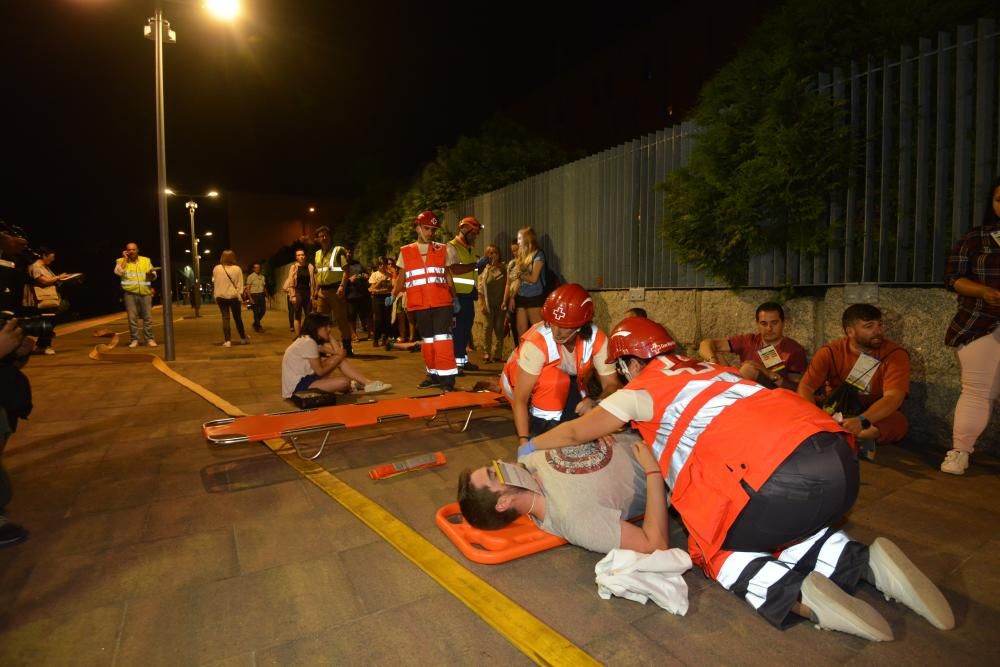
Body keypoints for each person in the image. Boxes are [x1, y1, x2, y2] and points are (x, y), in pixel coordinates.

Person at [504, 316, 953, 641]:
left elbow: (578, 430)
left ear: (628, 364)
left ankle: (798, 594)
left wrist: (529, 446)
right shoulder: (713, 369)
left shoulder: (641, 389)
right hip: (834, 457)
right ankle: (862, 561)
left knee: (714, 543)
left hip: (772, 476)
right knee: (780, 521)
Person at [459, 431, 667, 553]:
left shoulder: (528, 461)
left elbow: (576, 433)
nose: (501, 463)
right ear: (504, 502)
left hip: (650, 429)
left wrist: (597, 430)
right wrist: (654, 471)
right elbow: (653, 544)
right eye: (494, 474)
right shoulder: (572, 518)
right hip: (678, 462)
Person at [503, 284, 622, 440]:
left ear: (581, 326)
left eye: (565, 327)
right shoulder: (537, 343)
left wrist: (596, 403)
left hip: (566, 380)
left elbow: (612, 385)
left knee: (581, 422)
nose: (556, 332)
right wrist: (524, 440)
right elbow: (520, 399)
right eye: (552, 323)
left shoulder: (597, 339)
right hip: (520, 381)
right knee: (554, 383)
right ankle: (540, 429)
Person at [940, 176, 1000, 475]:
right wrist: (983, 291)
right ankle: (959, 452)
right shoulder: (976, 237)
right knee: (977, 390)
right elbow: (952, 278)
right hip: (980, 321)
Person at [797, 304, 910, 461]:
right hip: (836, 410)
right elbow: (806, 386)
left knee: (899, 422)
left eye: (879, 325)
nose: (878, 331)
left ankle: (857, 435)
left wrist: (862, 420)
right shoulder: (830, 352)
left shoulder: (895, 354)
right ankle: (850, 437)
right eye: (869, 326)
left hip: (872, 415)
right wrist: (813, 417)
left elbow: (894, 397)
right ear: (850, 331)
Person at [391, 210, 458, 391]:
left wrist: (455, 297)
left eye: (433, 229)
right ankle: (433, 375)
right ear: (417, 228)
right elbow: (402, 277)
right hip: (419, 304)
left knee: (443, 339)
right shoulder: (406, 251)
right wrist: (393, 294)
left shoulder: (442, 249)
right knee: (428, 341)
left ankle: (448, 379)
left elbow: (447, 275)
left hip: (442, 302)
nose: (430, 233)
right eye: (426, 228)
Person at [699, 302, 807, 390]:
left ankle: (724, 392)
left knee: (749, 369)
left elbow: (797, 390)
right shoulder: (750, 340)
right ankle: (726, 389)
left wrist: (767, 373)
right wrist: (713, 360)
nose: (769, 328)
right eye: (764, 324)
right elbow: (705, 344)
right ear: (757, 324)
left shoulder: (794, 350)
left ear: (783, 323)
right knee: (716, 355)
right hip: (742, 388)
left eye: (774, 323)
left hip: (771, 396)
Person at [281, 312, 391, 398]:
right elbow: (320, 371)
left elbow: (338, 352)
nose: (329, 329)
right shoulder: (308, 342)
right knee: (344, 382)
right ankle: (356, 384)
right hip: (298, 388)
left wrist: (330, 336)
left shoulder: (308, 340)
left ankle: (368, 383)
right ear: (315, 328)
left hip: (307, 378)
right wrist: (339, 358)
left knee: (339, 359)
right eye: (325, 327)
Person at [448, 216, 484, 372]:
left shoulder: (469, 248)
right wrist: (476, 265)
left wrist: (479, 267)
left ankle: (462, 361)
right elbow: (454, 269)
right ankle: (456, 365)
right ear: (463, 229)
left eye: (476, 233)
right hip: (457, 295)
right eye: (473, 232)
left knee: (465, 330)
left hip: (468, 295)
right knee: (458, 330)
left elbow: (470, 270)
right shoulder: (452, 247)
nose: (474, 236)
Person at [313, 226, 353, 357]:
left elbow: (346, 270)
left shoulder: (337, 251)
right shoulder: (317, 254)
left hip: (336, 290)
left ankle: (347, 349)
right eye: (321, 236)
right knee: (320, 322)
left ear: (329, 237)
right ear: (317, 239)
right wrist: (315, 291)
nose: (324, 238)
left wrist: (342, 286)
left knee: (342, 320)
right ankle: (321, 349)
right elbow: (318, 274)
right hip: (322, 293)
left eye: (326, 235)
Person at [27, 247, 70, 355]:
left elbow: (52, 280)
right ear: (44, 255)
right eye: (51, 257)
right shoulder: (36, 266)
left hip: (51, 297)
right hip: (43, 298)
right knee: (48, 322)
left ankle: (41, 345)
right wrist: (59, 277)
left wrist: (62, 279)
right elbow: (43, 281)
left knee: (51, 320)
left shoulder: (45, 267)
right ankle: (44, 345)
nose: (52, 260)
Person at [114, 242, 157, 348]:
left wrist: (151, 275)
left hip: (145, 292)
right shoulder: (121, 261)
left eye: (133, 249)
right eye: (129, 250)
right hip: (130, 293)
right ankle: (134, 340)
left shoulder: (146, 260)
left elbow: (154, 275)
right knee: (132, 318)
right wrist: (124, 259)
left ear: (137, 250)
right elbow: (119, 272)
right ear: (126, 251)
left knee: (147, 318)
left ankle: (149, 339)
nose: (131, 251)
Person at [509, 227, 546, 337]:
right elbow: (518, 281)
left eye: (520, 238)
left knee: (538, 332)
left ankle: (541, 353)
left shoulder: (538, 254)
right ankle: (524, 353)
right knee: (521, 331)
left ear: (527, 239)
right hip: (521, 296)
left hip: (534, 296)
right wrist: (512, 297)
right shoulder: (522, 255)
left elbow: (534, 278)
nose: (518, 241)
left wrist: (519, 274)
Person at [212, 250, 249, 347]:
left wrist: (216, 294)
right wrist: (240, 295)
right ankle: (242, 338)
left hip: (221, 296)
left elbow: (214, 281)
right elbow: (240, 284)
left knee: (225, 318)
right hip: (233, 296)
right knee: (237, 318)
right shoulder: (237, 269)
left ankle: (227, 341)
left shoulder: (217, 268)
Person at [479, 244, 507, 363]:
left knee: (499, 328)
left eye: (495, 252)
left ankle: (498, 354)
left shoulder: (504, 268)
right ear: (486, 255)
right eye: (490, 253)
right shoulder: (484, 270)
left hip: (501, 304)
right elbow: (480, 288)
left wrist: (506, 301)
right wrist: (483, 304)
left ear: (499, 254)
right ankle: (487, 353)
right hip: (488, 304)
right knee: (487, 328)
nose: (493, 255)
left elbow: (508, 285)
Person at [283, 249, 315, 337]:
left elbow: (314, 281)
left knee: (309, 315)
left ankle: (307, 334)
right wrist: (293, 295)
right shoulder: (294, 267)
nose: (301, 256)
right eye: (299, 255)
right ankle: (298, 336)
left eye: (302, 254)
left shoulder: (310, 266)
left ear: (305, 256)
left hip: (308, 292)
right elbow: (291, 281)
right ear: (296, 257)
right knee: (297, 315)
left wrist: (313, 294)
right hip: (298, 292)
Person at [344, 248, 370, 342]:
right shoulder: (340, 266)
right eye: (346, 253)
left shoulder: (357, 264)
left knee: (365, 314)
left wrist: (364, 275)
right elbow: (338, 279)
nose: (348, 254)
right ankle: (353, 334)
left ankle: (370, 333)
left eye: (350, 252)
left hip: (362, 293)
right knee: (351, 315)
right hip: (349, 294)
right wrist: (348, 279)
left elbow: (366, 273)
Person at [368, 256, 394, 347]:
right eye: (380, 264)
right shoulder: (374, 274)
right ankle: (376, 338)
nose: (382, 266)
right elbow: (372, 289)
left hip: (387, 297)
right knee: (378, 319)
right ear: (378, 265)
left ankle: (385, 338)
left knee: (387, 319)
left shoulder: (390, 275)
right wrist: (380, 282)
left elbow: (391, 288)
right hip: (377, 298)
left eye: (384, 264)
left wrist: (385, 289)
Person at [503, 241, 521, 342]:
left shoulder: (526, 263)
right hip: (512, 298)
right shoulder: (511, 264)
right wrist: (504, 300)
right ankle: (517, 349)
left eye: (517, 250)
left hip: (521, 297)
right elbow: (508, 283)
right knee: (513, 325)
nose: (515, 253)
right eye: (513, 251)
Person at [244, 262, 267, 333]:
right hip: (254, 295)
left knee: (263, 311)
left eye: (259, 267)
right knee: (256, 312)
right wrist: (250, 298)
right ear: (253, 269)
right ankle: (258, 327)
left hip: (261, 295)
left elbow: (264, 287)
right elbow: (248, 288)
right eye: (256, 267)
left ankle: (255, 323)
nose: (257, 269)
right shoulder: (250, 277)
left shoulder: (262, 277)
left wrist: (266, 295)